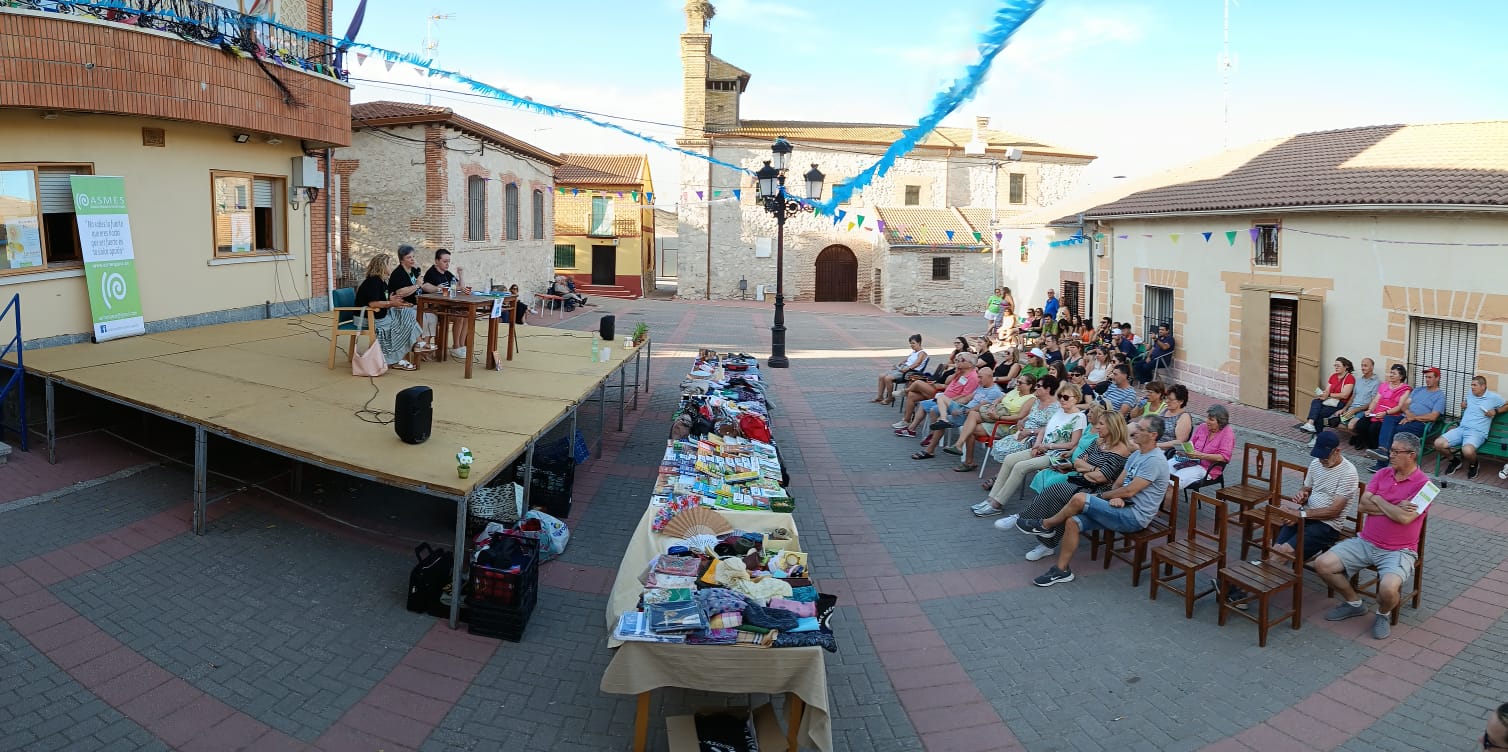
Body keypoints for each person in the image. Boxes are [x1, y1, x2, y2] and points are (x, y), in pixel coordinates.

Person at [1018, 415, 1170, 586]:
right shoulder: (1138, 454)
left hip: (1135, 515)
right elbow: (1120, 483)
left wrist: (1106, 497)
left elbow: (1130, 490)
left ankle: (1045, 525)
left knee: (1080, 498)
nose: (1135, 432)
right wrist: (1117, 496)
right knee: (1072, 522)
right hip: (1121, 505)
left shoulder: (1155, 461)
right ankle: (1061, 570)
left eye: (1141, 429)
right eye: (1137, 427)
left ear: (1153, 435)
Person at [1312, 432, 1429, 640]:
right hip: (1365, 542)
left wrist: (1379, 500)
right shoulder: (1382, 474)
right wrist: (1394, 506)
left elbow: (1404, 519)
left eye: (1395, 451)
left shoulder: (1425, 486)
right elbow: (1362, 506)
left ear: (1411, 455)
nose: (1390, 454)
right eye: (1391, 450)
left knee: (1388, 589)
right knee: (1322, 564)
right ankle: (1354, 603)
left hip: (1399, 550)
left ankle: (1382, 614)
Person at [1225, 430, 1358, 607]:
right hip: (1305, 514)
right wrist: (1302, 495)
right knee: (1277, 549)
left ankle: (1242, 590)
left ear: (1337, 451)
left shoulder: (1348, 473)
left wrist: (1300, 514)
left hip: (1327, 525)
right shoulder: (1316, 463)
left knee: (1285, 551)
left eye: (1325, 458)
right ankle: (1241, 586)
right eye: (1319, 457)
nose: (1321, 461)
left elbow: (1334, 511)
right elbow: (1307, 488)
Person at [1010, 412, 1133, 560]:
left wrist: (1088, 469)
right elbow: (1078, 462)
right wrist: (1093, 469)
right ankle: (1045, 539)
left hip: (1101, 491)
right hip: (1083, 481)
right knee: (1058, 492)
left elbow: (1102, 478)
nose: (1097, 427)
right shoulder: (1098, 442)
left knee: (1058, 490)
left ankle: (1032, 523)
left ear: (1113, 427)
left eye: (1101, 424)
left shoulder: (1121, 449)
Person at [972, 382, 1086, 516]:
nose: (1062, 399)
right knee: (1009, 459)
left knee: (1020, 467)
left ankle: (998, 504)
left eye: (1066, 397)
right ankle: (991, 499)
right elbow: (1044, 429)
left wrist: (1047, 446)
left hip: (1056, 455)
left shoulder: (1079, 417)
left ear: (1076, 398)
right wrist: (1038, 444)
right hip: (1042, 448)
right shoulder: (1060, 411)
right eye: (1060, 396)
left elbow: (1073, 444)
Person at [915, 365, 1000, 463]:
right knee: (942, 398)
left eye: (980, 377)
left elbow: (980, 408)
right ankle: (942, 422)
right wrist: (956, 404)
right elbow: (968, 398)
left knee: (942, 407)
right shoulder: (981, 387)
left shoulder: (994, 392)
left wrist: (961, 411)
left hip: (970, 416)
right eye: (978, 377)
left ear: (989, 377)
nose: (978, 379)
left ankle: (930, 449)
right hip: (964, 410)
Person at [1367, 366, 1445, 471]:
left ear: (1437, 378)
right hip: (1406, 417)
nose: (1427, 380)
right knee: (1388, 418)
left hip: (1421, 424)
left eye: (1430, 377)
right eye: (1426, 377)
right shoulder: (1418, 390)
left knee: (1395, 430)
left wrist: (1414, 418)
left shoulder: (1440, 396)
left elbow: (1433, 417)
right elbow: (1404, 405)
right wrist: (1408, 415)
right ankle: (1383, 451)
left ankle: (1382, 463)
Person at [353, 253, 421, 371]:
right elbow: (373, 304)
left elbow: (381, 300)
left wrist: (391, 300)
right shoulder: (373, 281)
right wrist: (391, 303)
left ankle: (415, 344)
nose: (391, 267)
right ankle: (394, 359)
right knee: (397, 325)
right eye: (389, 264)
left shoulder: (382, 281)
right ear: (382, 266)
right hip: (367, 318)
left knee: (406, 313)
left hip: (378, 315)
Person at [1435, 375, 1507, 479]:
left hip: (1477, 432)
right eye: (1471, 385)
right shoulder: (1471, 394)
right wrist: (1464, 403)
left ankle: (1474, 465)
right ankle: (1454, 461)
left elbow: (1506, 405)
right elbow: (1466, 402)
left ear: (1483, 386)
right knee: (1438, 443)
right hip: (1462, 429)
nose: (1472, 387)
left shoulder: (1493, 397)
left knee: (1467, 451)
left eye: (1475, 385)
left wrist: (1495, 411)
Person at [898, 353, 978, 439]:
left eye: (961, 360)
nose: (958, 362)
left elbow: (964, 396)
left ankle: (932, 436)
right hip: (942, 396)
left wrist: (946, 400)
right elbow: (947, 382)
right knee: (921, 402)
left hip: (952, 403)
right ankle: (911, 429)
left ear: (970, 364)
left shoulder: (972, 377)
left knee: (931, 407)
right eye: (957, 360)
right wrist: (955, 373)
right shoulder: (961, 372)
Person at [1169, 404, 1234, 488]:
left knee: (1173, 481)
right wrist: (1183, 451)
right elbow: (1190, 444)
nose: (1207, 421)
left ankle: (1168, 497)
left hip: (1206, 468)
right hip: (1189, 460)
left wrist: (1201, 455)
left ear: (1220, 422)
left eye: (1211, 420)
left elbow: (1224, 457)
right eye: (1207, 418)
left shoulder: (1227, 433)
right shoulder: (1202, 427)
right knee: (1163, 471)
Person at [1349, 364, 1412, 451]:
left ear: (1401, 376)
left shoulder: (1405, 389)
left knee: (1373, 428)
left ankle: (1375, 449)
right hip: (1376, 412)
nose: (1391, 375)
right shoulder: (1384, 386)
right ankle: (1366, 443)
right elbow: (1375, 400)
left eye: (1394, 373)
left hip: (1390, 415)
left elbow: (1400, 407)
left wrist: (1385, 413)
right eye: (1391, 373)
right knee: (1360, 425)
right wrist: (1370, 410)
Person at [421, 249, 472, 353]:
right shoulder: (432, 273)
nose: (447, 264)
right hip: (435, 309)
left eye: (449, 261)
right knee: (460, 316)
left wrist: (461, 274)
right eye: (445, 261)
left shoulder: (447, 273)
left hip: (447, 306)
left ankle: (462, 345)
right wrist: (438, 288)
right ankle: (456, 346)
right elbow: (425, 287)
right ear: (437, 261)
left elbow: (460, 287)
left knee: (466, 315)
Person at [1298, 357, 1357, 434]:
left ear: (1346, 367)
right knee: (1315, 401)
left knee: (1320, 414)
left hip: (1340, 403)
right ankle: (1310, 423)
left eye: (1338, 366)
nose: (1336, 367)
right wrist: (1323, 394)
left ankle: (1316, 435)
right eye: (1335, 365)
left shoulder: (1350, 378)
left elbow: (1344, 395)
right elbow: (1327, 390)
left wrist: (1328, 395)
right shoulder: (1333, 376)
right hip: (1330, 400)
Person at [874, 334, 929, 405]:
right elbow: (906, 360)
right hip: (903, 368)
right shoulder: (914, 352)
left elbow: (917, 363)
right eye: (910, 343)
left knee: (888, 378)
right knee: (881, 376)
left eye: (913, 343)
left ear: (919, 343)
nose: (911, 345)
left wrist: (907, 369)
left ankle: (890, 398)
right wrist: (898, 365)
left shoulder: (922, 353)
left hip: (910, 371)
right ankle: (880, 397)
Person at [1336, 357, 1381, 433]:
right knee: (1337, 424)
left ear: (1372, 367)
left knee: (1351, 425)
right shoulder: (1359, 380)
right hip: (1352, 408)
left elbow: (1373, 403)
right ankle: (1357, 436)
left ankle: (1359, 438)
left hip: (1363, 410)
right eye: (1362, 365)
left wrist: (1356, 410)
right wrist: (1344, 408)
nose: (1363, 368)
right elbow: (1352, 397)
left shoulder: (1376, 383)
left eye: (1365, 366)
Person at [1154, 384, 1197, 453]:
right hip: (1153, 442)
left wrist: (1156, 445)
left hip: (1164, 450)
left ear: (1181, 401)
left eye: (1170, 399)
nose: (1167, 401)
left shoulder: (1184, 417)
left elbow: (1179, 441)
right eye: (1166, 398)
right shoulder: (1165, 410)